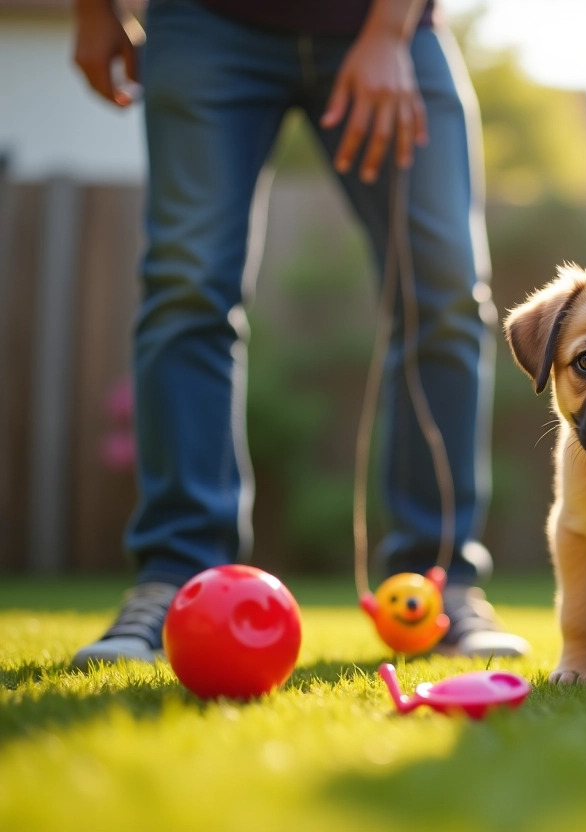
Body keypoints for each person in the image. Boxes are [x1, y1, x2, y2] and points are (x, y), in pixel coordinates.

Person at [70, 0, 528, 664]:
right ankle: (175, 580)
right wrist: (90, 10)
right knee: (187, 289)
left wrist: (387, 32)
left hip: (383, 24)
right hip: (203, 22)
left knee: (446, 296)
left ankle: (440, 585)